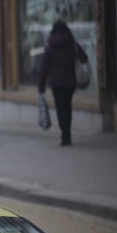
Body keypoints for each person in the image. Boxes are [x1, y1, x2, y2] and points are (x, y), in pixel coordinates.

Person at [36, 19, 88, 147]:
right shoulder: (72, 44)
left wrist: (41, 87)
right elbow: (84, 58)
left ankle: (64, 135)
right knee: (67, 107)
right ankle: (67, 134)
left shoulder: (50, 48)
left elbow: (44, 69)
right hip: (70, 82)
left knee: (60, 108)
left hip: (56, 83)